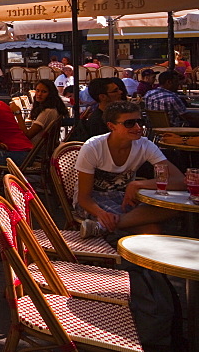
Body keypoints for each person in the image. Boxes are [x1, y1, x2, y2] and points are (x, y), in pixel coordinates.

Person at [77, 101, 185, 237]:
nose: (138, 127)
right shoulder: (93, 147)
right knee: (152, 230)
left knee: (174, 208)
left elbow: (180, 181)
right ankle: (109, 225)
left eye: (140, 121)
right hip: (94, 202)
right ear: (111, 126)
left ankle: (101, 227)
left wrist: (138, 184)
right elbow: (83, 197)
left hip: (125, 198)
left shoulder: (145, 145)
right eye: (129, 123)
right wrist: (102, 214)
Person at [12, 79, 69, 145]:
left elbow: (27, 136)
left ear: (50, 94)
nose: (39, 94)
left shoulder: (48, 112)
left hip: (34, 152)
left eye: (44, 92)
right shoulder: (49, 109)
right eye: (37, 90)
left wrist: (18, 113)